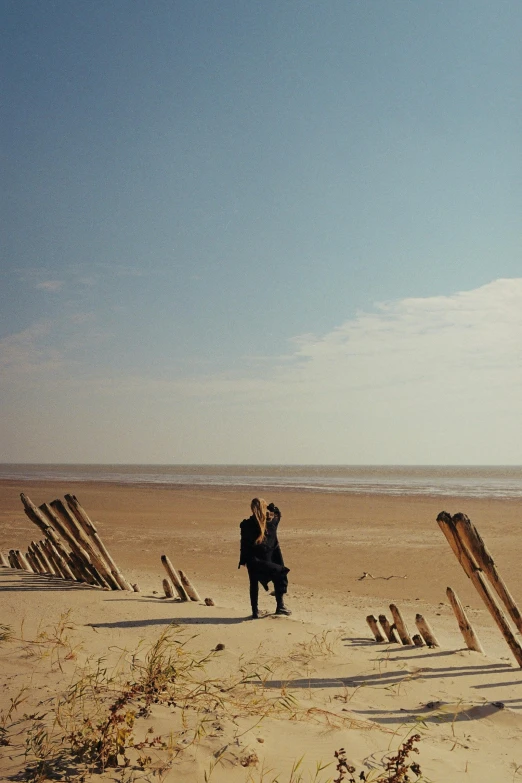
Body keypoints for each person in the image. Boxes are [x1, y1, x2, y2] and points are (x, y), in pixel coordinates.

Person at [238, 497, 291, 619]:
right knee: (280, 575)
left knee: (253, 584)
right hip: (269, 559)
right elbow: (278, 514)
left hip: (253, 560)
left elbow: (243, 544)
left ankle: (255, 611)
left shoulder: (246, 524)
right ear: (264, 508)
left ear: (252, 509)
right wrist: (272, 508)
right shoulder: (271, 523)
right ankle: (280, 606)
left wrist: (243, 560)